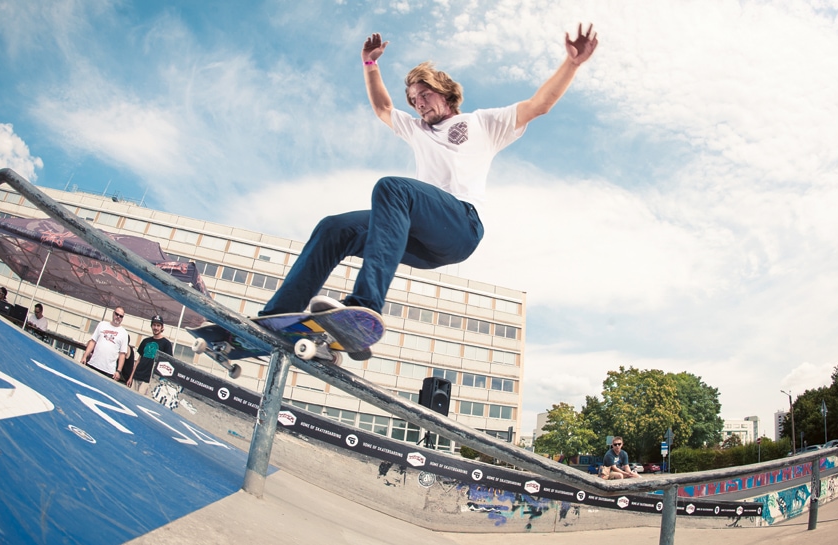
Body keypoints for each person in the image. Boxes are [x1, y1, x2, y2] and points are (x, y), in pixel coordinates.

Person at [258, 23, 599, 317]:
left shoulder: (484, 122)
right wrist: (369, 64)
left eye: (424, 94)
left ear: (446, 93)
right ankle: (279, 317)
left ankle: (364, 307)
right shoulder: (416, 129)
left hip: (460, 226)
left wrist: (571, 63)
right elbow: (382, 107)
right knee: (334, 228)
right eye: (413, 100)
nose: (418, 103)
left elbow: (539, 105)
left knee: (393, 189)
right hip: (416, 237)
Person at [127, 315, 174, 395]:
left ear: (162, 327)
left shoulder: (166, 344)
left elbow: (168, 365)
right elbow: (138, 360)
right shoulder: (145, 341)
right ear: (151, 326)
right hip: (136, 376)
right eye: (154, 325)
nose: (156, 327)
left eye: (158, 325)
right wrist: (131, 377)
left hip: (149, 380)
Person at [80, 306, 129, 381]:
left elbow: (122, 354)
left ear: (122, 318)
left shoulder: (124, 333)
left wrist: (118, 371)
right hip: (93, 364)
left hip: (109, 371)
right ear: (113, 313)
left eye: (121, 316)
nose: (118, 317)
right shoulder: (102, 324)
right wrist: (85, 356)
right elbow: (93, 341)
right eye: (117, 314)